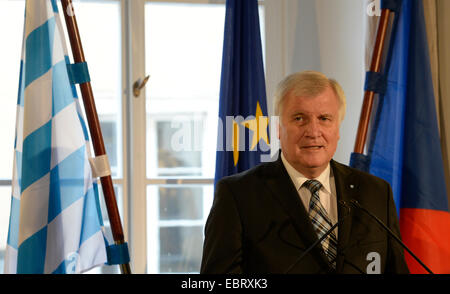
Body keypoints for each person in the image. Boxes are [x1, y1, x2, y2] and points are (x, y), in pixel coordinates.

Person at [200, 71, 409, 274]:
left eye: (324, 118)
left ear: (338, 129)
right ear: (278, 129)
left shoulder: (376, 193)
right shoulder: (238, 196)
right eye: (299, 118)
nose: (313, 132)